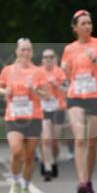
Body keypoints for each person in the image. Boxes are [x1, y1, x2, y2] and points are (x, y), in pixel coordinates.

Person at [61, 9, 97, 193]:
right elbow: (66, 75)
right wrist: (65, 70)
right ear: (75, 28)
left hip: (96, 96)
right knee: (80, 138)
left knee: (92, 142)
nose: (87, 26)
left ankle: (88, 180)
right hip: (75, 96)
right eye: (83, 23)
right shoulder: (69, 49)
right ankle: (82, 181)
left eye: (89, 23)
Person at [0, 39, 49, 193]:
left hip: (34, 117)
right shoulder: (8, 70)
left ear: (32, 53)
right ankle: (15, 182)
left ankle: (25, 186)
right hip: (14, 117)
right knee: (17, 151)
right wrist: (6, 92)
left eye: (28, 50)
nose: (25, 53)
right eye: (22, 50)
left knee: (30, 156)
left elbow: (46, 95)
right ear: (17, 51)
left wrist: (35, 90)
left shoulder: (38, 72)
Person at [40, 49, 67, 180]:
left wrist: (56, 85)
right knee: (46, 139)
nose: (48, 59)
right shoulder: (38, 72)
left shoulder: (60, 72)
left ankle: (54, 161)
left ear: (55, 59)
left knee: (55, 141)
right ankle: (47, 167)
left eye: (51, 57)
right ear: (42, 59)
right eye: (46, 57)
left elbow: (67, 90)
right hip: (43, 108)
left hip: (58, 107)